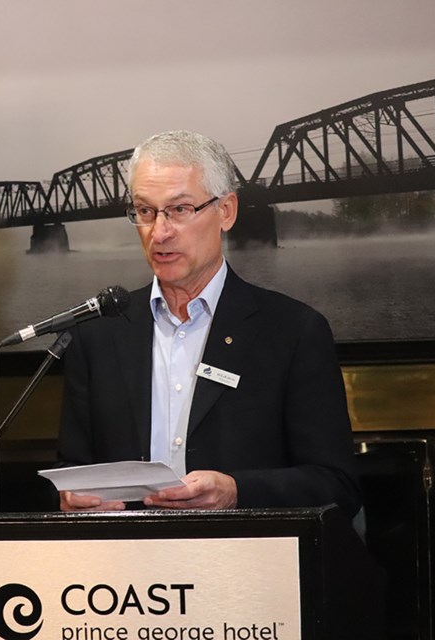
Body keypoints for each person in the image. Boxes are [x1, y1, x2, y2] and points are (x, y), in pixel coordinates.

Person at [56, 130, 361, 517]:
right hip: (130, 569)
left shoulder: (293, 332)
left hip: (248, 565)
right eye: (145, 211)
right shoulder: (98, 334)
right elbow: (73, 469)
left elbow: (338, 486)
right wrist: (74, 497)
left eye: (180, 210)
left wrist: (237, 491)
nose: (159, 232)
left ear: (226, 212)